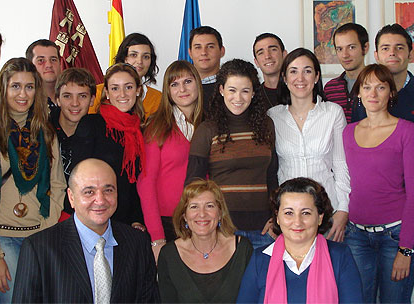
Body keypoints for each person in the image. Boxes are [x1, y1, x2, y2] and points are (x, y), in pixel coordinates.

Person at [0, 58, 66, 303]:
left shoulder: (46, 133)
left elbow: (58, 185)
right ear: (2, 89)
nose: (22, 94)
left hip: (40, 235)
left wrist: (46, 230)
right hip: (3, 239)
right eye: (15, 86)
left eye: (29, 86)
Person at [12, 159, 159, 303]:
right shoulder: (39, 249)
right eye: (89, 192)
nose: (100, 200)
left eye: (108, 190)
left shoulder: (138, 243)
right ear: (71, 197)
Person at [343, 64, 414, 303]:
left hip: (395, 236)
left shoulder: (407, 132)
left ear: (391, 92)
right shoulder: (348, 133)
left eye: (381, 87)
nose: (373, 94)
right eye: (367, 87)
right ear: (358, 93)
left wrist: (406, 249)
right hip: (356, 236)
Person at [185, 59, 277, 245]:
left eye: (245, 91)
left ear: (253, 93)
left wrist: (276, 216)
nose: (238, 98)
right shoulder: (207, 130)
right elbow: (194, 184)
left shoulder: (266, 125)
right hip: (223, 230)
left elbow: (272, 177)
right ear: (221, 91)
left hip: (264, 230)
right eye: (232, 90)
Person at [268, 48, 350, 243]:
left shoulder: (333, 113)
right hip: (289, 216)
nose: (301, 78)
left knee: (329, 271)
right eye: (293, 71)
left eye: (307, 71)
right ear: (285, 78)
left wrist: (343, 209)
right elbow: (269, 169)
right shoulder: (273, 116)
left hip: (327, 212)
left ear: (316, 76)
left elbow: (341, 165)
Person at [237, 177, 362, 303]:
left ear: (319, 217)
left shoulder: (339, 256)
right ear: (277, 217)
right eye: (288, 213)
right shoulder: (260, 259)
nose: (297, 222)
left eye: (306, 213)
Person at [137, 60, 203, 259]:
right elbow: (145, 184)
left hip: (204, 220)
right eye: (174, 84)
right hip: (167, 224)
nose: (182, 89)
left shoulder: (209, 124)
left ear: (197, 84)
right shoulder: (157, 127)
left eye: (187, 81)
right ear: (167, 91)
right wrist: (157, 237)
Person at [74, 63, 146, 228]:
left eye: (128, 87)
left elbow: (134, 183)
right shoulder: (92, 124)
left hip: (127, 223)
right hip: (94, 219)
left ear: (138, 90)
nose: (122, 94)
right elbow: (79, 178)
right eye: (115, 88)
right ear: (106, 92)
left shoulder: (138, 131)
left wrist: (137, 219)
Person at [158, 179, 253, 303]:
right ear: (185, 216)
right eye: (194, 207)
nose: (202, 214)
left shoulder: (243, 249)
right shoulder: (168, 255)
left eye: (209, 206)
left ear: (220, 213)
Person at [352, 23, 414, 129]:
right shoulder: (365, 96)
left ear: (411, 55)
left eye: (399, 48)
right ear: (377, 56)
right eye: (385, 48)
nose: (392, 53)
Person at [50, 68, 96, 219]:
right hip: (44, 215)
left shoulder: (102, 135)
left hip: (86, 216)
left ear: (92, 100)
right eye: (67, 96)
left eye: (82, 96)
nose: (75, 103)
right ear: (57, 99)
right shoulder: (43, 131)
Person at [90, 33, 162, 117]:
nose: (140, 61)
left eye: (146, 57)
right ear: (124, 58)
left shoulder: (157, 98)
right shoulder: (97, 92)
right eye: (133, 55)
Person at [324, 23, 369, 123]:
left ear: (365, 47)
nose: (345, 55)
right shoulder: (330, 88)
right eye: (339, 49)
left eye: (351, 47)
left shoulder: (377, 85)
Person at [188, 26, 226, 112]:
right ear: (190, 53)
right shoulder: (180, 88)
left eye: (210, 47)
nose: (204, 52)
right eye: (198, 47)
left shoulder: (231, 87)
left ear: (222, 51)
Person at [253, 33, 287, 110]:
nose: (267, 56)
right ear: (256, 62)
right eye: (261, 53)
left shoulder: (298, 90)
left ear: (284, 55)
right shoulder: (253, 97)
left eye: (273, 49)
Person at [25, 39, 62, 113]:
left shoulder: (72, 101)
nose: (49, 65)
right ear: (30, 65)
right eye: (41, 60)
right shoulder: (24, 102)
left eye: (53, 60)